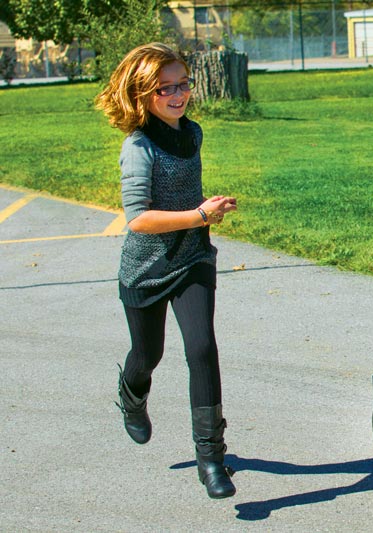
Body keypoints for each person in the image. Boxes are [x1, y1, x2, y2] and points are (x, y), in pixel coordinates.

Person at [95, 43, 238, 499]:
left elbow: (186, 199)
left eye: (183, 84)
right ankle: (132, 393)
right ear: (143, 95)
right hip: (147, 267)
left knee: (201, 348)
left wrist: (205, 214)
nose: (178, 95)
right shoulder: (137, 147)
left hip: (193, 257)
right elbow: (138, 218)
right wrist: (199, 214)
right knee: (148, 354)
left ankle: (211, 458)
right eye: (166, 88)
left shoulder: (192, 133)